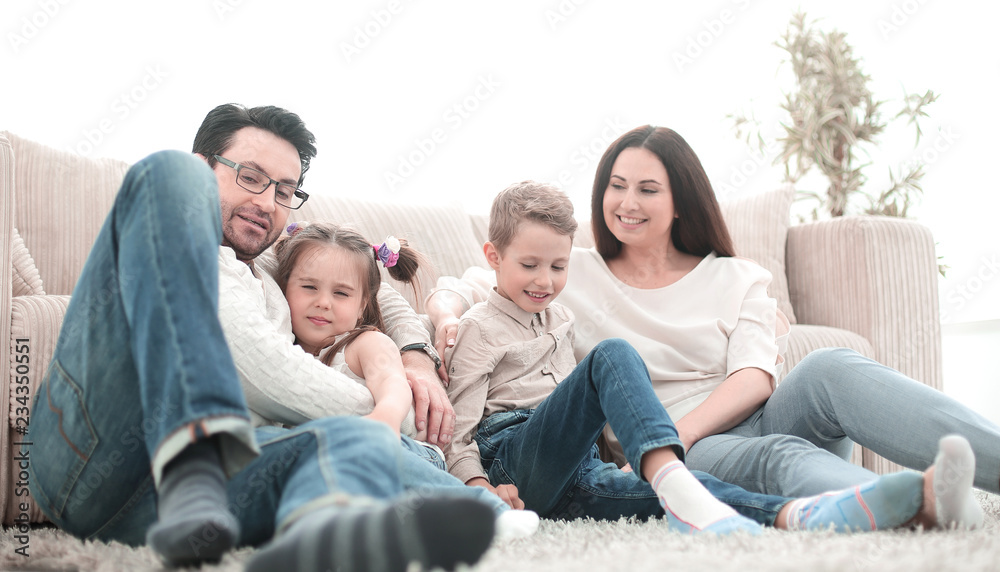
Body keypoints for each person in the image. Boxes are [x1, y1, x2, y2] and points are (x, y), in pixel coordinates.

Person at [427, 126, 995, 531]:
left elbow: (756, 375)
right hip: (668, 444)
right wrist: (445, 312)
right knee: (777, 456)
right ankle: (908, 503)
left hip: (712, 426)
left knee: (830, 367)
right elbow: (476, 282)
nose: (627, 202)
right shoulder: (571, 271)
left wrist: (690, 430)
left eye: (648, 189)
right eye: (616, 185)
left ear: (680, 202)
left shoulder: (737, 276)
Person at [27, 103, 495, 572]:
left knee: (341, 443)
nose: (268, 202)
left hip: (184, 505)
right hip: (92, 457)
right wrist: (389, 413)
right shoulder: (186, 242)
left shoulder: (267, 267)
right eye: (250, 177)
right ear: (207, 166)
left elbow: (364, 282)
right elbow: (267, 373)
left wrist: (413, 354)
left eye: (285, 190)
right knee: (167, 173)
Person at [269, 220, 541, 537]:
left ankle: (484, 510)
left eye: (341, 293)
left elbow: (392, 382)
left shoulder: (363, 343)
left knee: (359, 446)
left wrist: (384, 418)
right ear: (284, 286)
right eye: (309, 287)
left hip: (407, 454)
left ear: (362, 307)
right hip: (347, 470)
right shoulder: (277, 351)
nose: (323, 302)